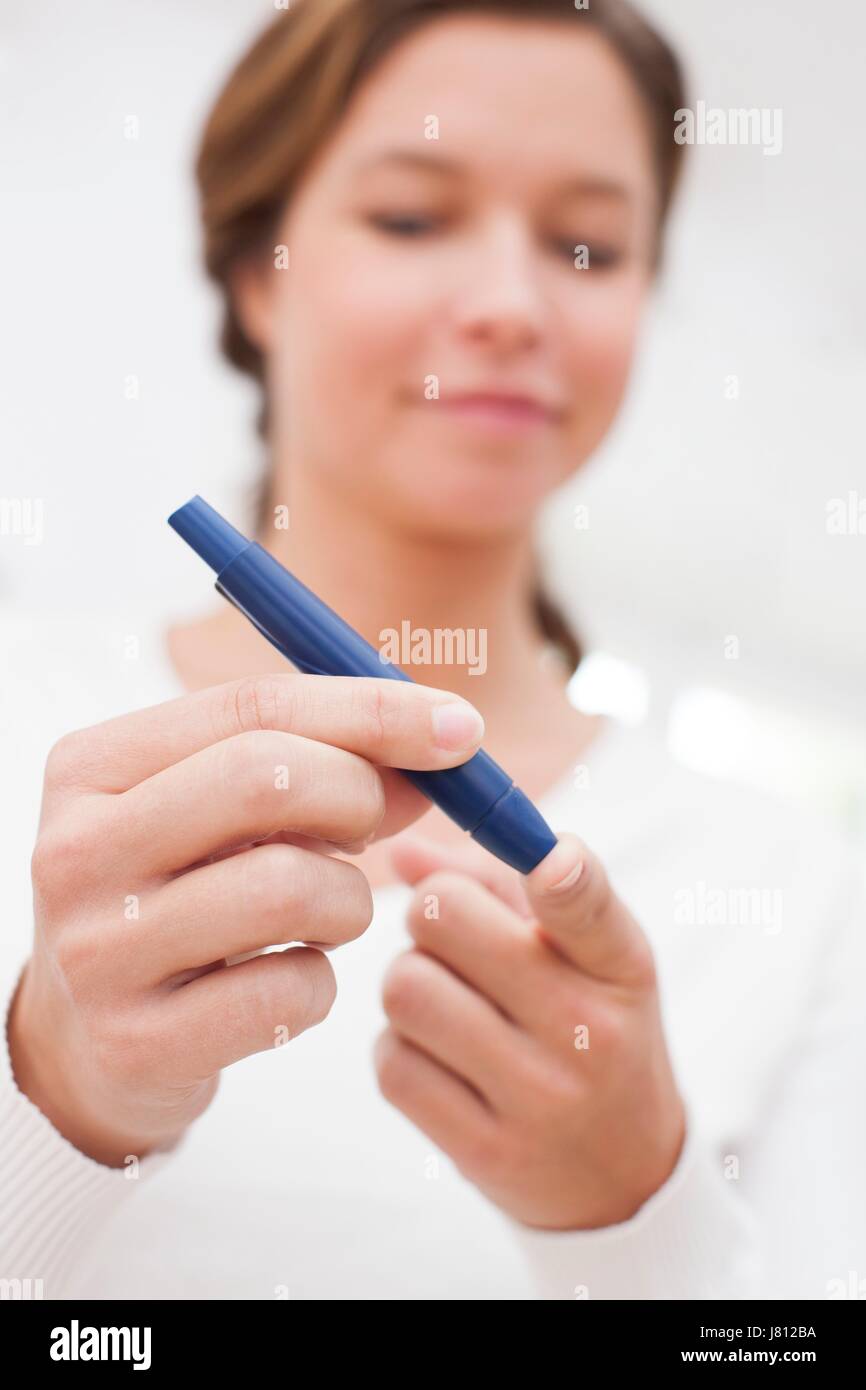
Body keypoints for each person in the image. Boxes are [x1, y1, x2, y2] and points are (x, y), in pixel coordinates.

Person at [2, 0, 864, 1301]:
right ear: (256, 273)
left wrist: (634, 1215)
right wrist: (55, 1096)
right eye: (411, 217)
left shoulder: (798, 885)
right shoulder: (26, 716)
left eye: (585, 243)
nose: (512, 304)